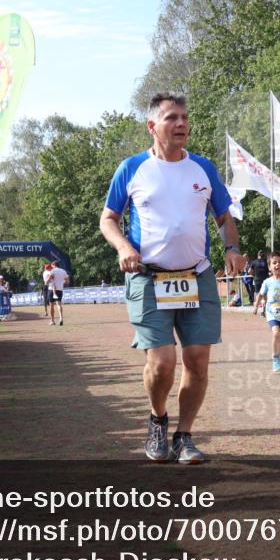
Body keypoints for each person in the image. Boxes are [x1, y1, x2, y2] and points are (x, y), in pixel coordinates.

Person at [99, 91, 244, 464]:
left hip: (197, 277)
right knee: (162, 363)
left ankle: (184, 436)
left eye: (184, 117)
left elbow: (225, 217)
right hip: (149, 279)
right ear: (152, 126)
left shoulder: (203, 169)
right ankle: (158, 420)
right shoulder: (131, 168)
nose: (181, 124)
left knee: (197, 361)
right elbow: (108, 218)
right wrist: (123, 248)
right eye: (171, 118)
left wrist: (231, 249)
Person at [46, 261, 69, 325]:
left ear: (54, 265)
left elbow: (49, 279)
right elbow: (67, 281)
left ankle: (52, 321)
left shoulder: (53, 271)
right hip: (60, 289)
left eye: (52, 266)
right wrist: (61, 283)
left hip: (51, 289)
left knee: (51, 305)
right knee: (59, 304)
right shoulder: (63, 271)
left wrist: (46, 282)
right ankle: (61, 318)